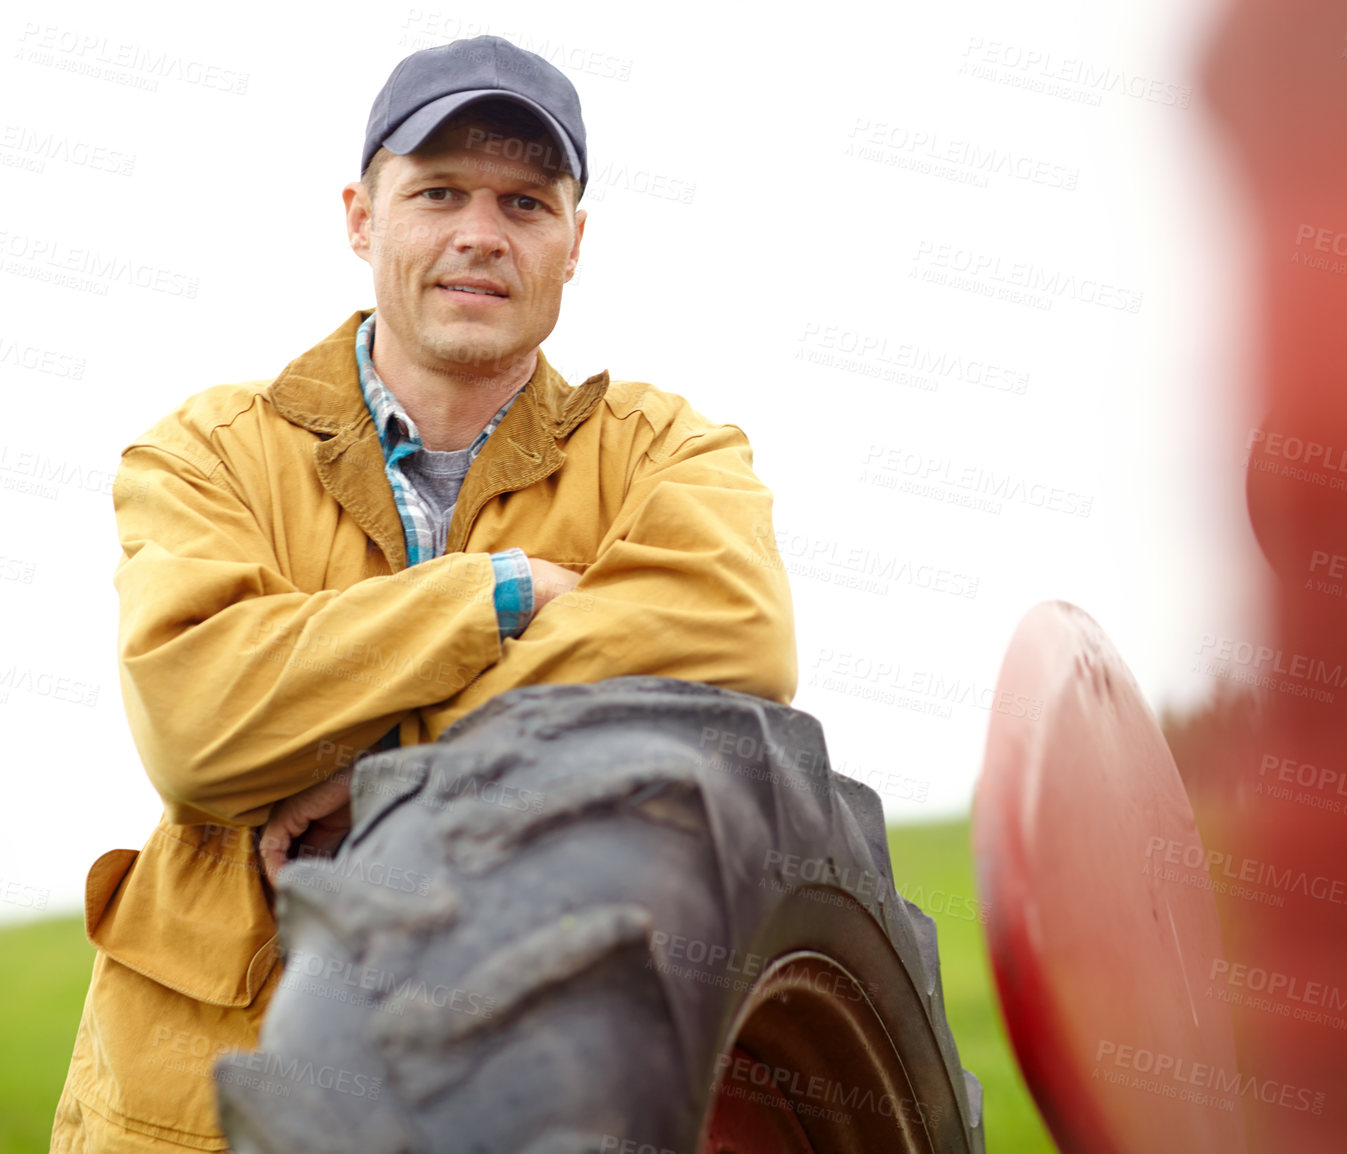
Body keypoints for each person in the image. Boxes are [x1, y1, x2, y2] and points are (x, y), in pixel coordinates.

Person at [51, 35, 796, 1152]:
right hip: (193, 1117)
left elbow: (737, 629)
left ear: (575, 240)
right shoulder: (204, 452)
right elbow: (196, 719)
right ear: (360, 216)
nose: (480, 237)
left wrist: (388, 772)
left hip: (522, 1095)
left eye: (525, 204)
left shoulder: (665, 453)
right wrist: (499, 594)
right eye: (437, 192)